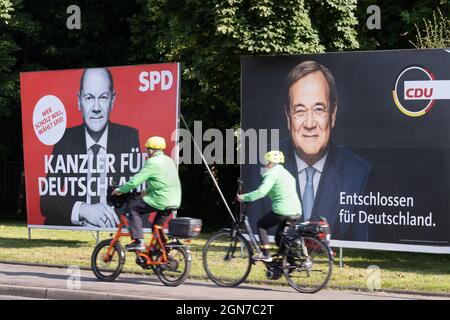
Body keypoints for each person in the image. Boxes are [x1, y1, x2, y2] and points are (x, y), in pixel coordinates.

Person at [245, 60, 372, 240]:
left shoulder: (358, 173)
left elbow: (362, 248)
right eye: (300, 111)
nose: (310, 124)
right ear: (288, 117)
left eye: (319, 109)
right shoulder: (262, 162)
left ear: (333, 114)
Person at [40, 67, 140, 227]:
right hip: (75, 225)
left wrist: (110, 217)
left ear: (112, 100)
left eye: (103, 97)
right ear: (79, 101)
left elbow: (137, 194)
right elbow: (46, 201)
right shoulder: (65, 139)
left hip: (113, 223)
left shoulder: (128, 137)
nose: (96, 107)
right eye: (88, 98)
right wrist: (84, 210)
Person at [112, 136, 182, 251]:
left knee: (133, 209)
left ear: (154, 150)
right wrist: (144, 192)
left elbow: (134, 181)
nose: (146, 152)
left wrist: (121, 189)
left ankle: (138, 241)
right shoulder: (168, 160)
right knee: (156, 226)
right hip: (174, 199)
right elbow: (162, 183)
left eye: (148, 149)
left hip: (161, 198)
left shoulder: (152, 162)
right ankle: (162, 252)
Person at [237, 150, 301, 262]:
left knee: (261, 225)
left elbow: (261, 192)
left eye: (267, 162)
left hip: (283, 210)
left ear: (271, 162)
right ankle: (291, 263)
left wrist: (244, 197)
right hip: (295, 211)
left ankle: (265, 254)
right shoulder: (286, 173)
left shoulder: (272, 174)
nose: (265, 164)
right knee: (279, 238)